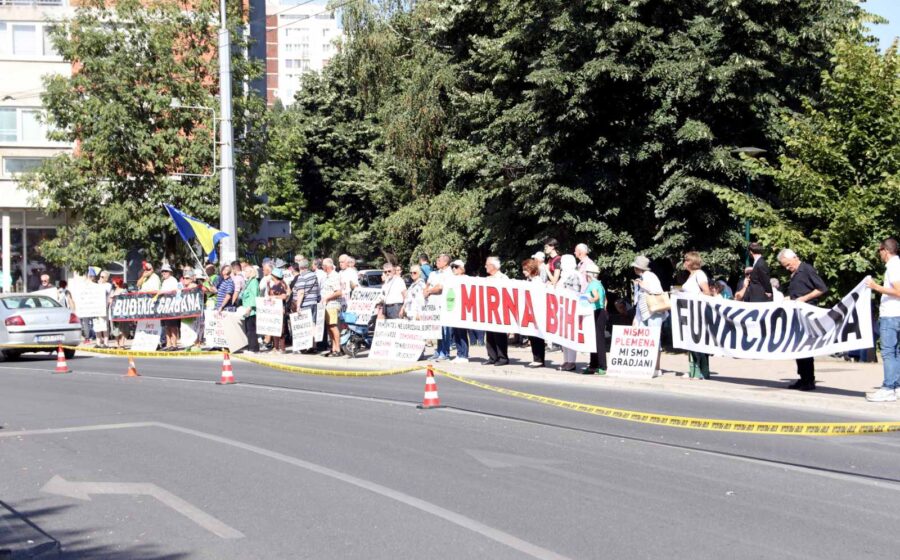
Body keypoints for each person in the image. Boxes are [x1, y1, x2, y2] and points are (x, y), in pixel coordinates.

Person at [777, 248, 827, 391]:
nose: (787, 268)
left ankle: (809, 380)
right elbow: (797, 293)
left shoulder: (806, 269)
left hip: (807, 313)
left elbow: (821, 288)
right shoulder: (795, 273)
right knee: (798, 347)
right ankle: (802, 378)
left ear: (794, 257)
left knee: (805, 347)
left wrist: (804, 299)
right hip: (797, 313)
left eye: (788, 264)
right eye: (784, 266)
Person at [866, 238, 900, 402]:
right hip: (897, 314)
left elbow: (899, 291)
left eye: (879, 250)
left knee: (888, 352)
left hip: (892, 315)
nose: (879, 254)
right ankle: (897, 386)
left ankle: (888, 388)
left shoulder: (893, 266)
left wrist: (875, 287)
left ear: (885, 250)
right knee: (897, 353)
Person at [631, 255, 667, 376]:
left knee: (655, 340)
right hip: (644, 313)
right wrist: (636, 318)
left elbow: (658, 291)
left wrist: (643, 286)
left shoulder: (650, 277)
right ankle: (646, 366)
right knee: (643, 340)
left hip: (654, 312)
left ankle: (656, 368)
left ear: (638, 267)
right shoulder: (641, 278)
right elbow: (638, 300)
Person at [681, 251, 712, 379]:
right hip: (689, 311)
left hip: (697, 311)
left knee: (697, 340)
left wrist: (693, 297)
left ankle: (702, 371)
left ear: (692, 262)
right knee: (691, 340)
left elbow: (707, 292)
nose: (684, 262)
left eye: (686, 260)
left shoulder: (699, 274)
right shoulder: (690, 276)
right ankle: (693, 370)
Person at [556, 254, 583, 372]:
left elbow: (575, 293)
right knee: (563, 338)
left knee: (570, 337)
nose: (561, 265)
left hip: (570, 310)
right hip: (562, 309)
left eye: (562, 262)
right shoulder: (564, 275)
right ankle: (566, 360)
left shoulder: (574, 275)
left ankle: (571, 362)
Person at [423, 254, 452, 360]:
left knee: (445, 330)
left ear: (445, 262)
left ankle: (445, 352)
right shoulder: (435, 273)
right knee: (438, 330)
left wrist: (429, 291)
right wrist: (426, 291)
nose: (437, 262)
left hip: (443, 305)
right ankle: (438, 351)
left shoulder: (449, 273)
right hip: (433, 305)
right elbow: (427, 284)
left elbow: (440, 288)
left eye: (439, 260)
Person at [483, 256, 509, 366]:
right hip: (489, 310)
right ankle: (492, 357)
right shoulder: (487, 279)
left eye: (487, 264)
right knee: (489, 335)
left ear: (493, 266)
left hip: (500, 311)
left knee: (499, 335)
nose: (485, 267)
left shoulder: (503, 278)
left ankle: (502, 358)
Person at [582, 263, 608, 375]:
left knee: (597, 340)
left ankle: (601, 366)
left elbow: (596, 296)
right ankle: (594, 365)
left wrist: (589, 300)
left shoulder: (592, 284)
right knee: (595, 340)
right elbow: (605, 300)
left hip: (595, 312)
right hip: (600, 312)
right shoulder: (599, 284)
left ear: (590, 275)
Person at [291, 258, 320, 354]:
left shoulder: (302, 277)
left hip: (305, 303)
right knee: (313, 324)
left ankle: (305, 346)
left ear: (301, 267)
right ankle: (314, 346)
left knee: (305, 326)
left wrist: (298, 306)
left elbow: (301, 292)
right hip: (314, 303)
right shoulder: (314, 275)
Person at [522, 258, 545, 368]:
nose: (523, 271)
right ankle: (535, 358)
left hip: (537, 312)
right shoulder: (529, 281)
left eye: (525, 269)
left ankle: (539, 359)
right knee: (532, 336)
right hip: (530, 312)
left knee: (537, 337)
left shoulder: (537, 281)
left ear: (531, 269)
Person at [448, 260, 470, 363]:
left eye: (456, 267)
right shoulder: (451, 279)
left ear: (461, 268)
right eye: (452, 267)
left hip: (463, 309)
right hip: (454, 309)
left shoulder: (466, 279)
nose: (453, 269)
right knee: (455, 333)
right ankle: (459, 353)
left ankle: (464, 355)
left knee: (462, 332)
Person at [321, 258, 343, 357]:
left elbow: (338, 292)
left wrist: (327, 297)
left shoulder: (334, 276)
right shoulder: (327, 276)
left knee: (333, 326)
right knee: (329, 327)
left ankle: (338, 349)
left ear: (327, 267)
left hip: (333, 305)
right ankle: (333, 348)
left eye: (323, 266)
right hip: (326, 305)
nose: (322, 267)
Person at [265, 267, 288, 353]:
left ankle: (282, 348)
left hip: (280, 310)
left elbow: (284, 296)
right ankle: (275, 347)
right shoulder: (274, 284)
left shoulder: (281, 284)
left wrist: (274, 297)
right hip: (274, 310)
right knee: (274, 328)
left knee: (281, 329)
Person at [159, 264, 181, 350]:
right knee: (166, 326)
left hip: (172, 306)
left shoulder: (173, 280)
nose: (164, 273)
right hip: (164, 307)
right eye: (162, 271)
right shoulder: (164, 281)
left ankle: (174, 344)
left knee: (173, 326)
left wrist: (164, 292)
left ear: (170, 272)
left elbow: (176, 291)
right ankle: (168, 344)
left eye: (165, 271)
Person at [239, 265, 260, 353]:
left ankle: (253, 348)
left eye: (247, 271)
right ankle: (250, 347)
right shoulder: (249, 282)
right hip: (246, 308)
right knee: (248, 329)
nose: (245, 273)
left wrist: (250, 307)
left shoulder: (254, 281)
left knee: (252, 329)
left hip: (251, 310)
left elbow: (254, 295)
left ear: (251, 272)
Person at [108, 278, 132, 349]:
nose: (114, 284)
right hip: (113, 312)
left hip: (122, 312)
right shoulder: (113, 291)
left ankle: (122, 343)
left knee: (123, 327)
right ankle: (116, 342)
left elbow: (125, 300)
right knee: (115, 328)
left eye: (115, 282)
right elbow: (109, 300)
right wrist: (111, 299)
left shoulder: (123, 291)